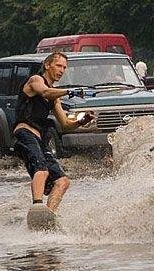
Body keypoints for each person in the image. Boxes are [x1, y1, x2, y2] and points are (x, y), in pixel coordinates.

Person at [13, 52, 95, 216]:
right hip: (25, 134)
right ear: (47, 65)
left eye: (64, 67)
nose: (62, 70)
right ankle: (37, 207)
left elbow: (65, 125)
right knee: (42, 170)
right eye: (59, 66)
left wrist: (81, 121)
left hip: (40, 140)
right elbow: (44, 92)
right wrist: (69, 92)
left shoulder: (54, 98)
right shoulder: (35, 80)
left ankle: (48, 215)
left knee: (62, 181)